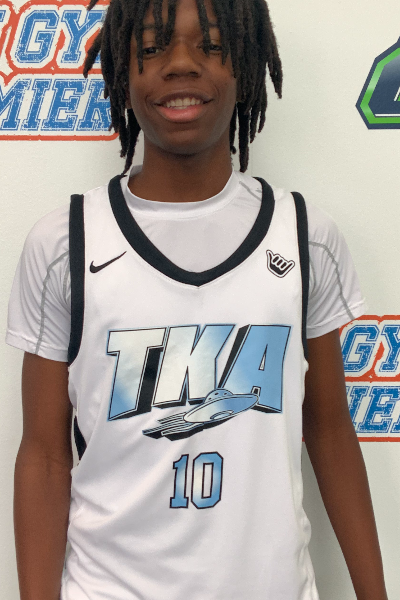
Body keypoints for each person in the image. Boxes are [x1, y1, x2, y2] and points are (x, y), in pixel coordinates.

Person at [6, 0, 388, 598]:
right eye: (152, 46)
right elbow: (45, 456)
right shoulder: (65, 243)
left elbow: (331, 429)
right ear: (122, 71)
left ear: (247, 64)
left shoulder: (304, 235)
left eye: (211, 44)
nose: (181, 63)